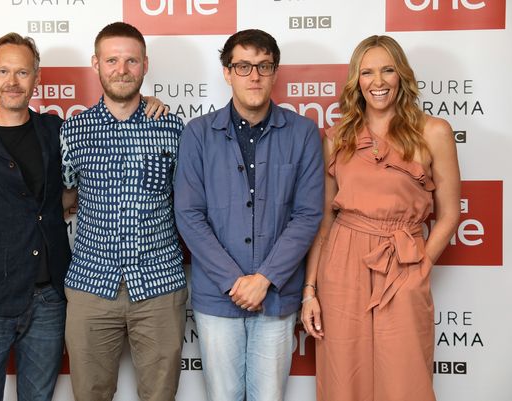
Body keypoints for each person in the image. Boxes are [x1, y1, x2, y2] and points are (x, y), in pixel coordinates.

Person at [0, 32, 167, 401]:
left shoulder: (57, 131)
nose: (13, 82)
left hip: (49, 300)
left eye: (23, 72)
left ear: (37, 78)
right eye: (4, 71)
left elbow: (108, 129)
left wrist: (148, 104)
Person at [301, 35, 460, 401]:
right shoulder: (337, 137)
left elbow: (450, 214)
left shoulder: (434, 131)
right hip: (342, 261)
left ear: (401, 74)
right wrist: (310, 290)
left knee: (406, 375)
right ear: (357, 80)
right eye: (368, 72)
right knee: (343, 373)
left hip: (403, 259)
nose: (378, 81)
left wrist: (421, 266)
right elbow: (325, 220)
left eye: (387, 70)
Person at [174, 29, 324, 401]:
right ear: (227, 72)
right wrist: (234, 280)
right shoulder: (197, 134)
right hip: (217, 296)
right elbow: (189, 215)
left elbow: (307, 214)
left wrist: (265, 279)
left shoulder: (304, 133)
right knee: (223, 396)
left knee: (268, 396)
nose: (254, 75)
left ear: (275, 72)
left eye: (263, 66)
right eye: (243, 66)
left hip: (277, 295)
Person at [60, 22, 187, 401]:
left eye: (131, 60)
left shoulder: (170, 126)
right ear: (96, 64)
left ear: (145, 65)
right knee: (89, 395)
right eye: (112, 60)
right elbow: (66, 197)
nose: (122, 69)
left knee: (160, 395)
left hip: (160, 286)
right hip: (90, 286)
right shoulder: (73, 129)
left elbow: (189, 202)